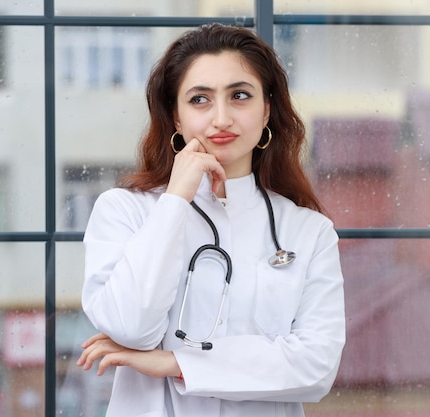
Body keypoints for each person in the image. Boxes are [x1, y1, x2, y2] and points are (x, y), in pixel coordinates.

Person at [76, 23, 346, 417]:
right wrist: (175, 200)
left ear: (267, 108)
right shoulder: (124, 210)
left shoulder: (309, 231)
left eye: (239, 96)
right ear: (176, 117)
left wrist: (174, 363)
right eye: (200, 99)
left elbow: (316, 367)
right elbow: (130, 327)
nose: (221, 118)